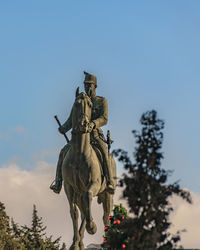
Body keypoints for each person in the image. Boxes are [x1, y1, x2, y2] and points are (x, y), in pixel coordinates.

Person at [50, 71, 115, 194]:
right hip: (79, 136)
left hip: (95, 135)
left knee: (104, 153)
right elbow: (71, 119)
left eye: (89, 85)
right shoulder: (80, 100)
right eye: (85, 85)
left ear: (95, 86)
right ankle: (58, 181)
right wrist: (64, 128)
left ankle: (110, 181)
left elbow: (104, 119)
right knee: (63, 152)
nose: (87, 87)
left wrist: (93, 124)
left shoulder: (102, 101)